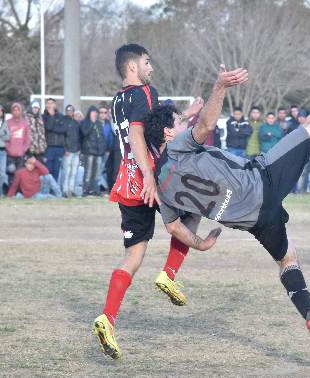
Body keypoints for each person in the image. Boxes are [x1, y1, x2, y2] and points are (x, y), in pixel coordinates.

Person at [143, 24, 310, 354]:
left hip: (254, 221)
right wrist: (220, 86)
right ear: (169, 134)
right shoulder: (179, 147)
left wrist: (202, 245)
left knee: (288, 259)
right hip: (262, 179)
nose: (186, 125)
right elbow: (207, 125)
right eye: (180, 123)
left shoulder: (162, 188)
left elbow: (172, 226)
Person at [93, 43, 205, 361]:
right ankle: (168, 274)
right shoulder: (144, 92)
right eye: (146, 61)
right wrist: (150, 176)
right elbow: (142, 134)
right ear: (133, 67)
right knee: (194, 211)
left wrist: (191, 112)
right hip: (151, 177)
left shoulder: (117, 100)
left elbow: (153, 127)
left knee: (133, 256)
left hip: (126, 185)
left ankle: (107, 319)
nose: (151, 67)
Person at [79, 106, 104, 196]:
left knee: (96, 173)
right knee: (88, 172)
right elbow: (85, 133)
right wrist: (92, 123)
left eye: (95, 112)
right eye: (93, 112)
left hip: (98, 152)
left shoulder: (99, 123)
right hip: (89, 151)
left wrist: (103, 149)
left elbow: (102, 137)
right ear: (89, 112)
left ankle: (93, 190)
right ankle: (85, 190)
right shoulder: (84, 122)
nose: (95, 114)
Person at [5, 103, 31, 189]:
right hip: (10, 154)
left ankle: (20, 192)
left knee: (20, 174)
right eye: (14, 110)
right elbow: (5, 138)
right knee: (11, 173)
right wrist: (9, 149)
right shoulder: (8, 122)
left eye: (18, 110)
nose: (16, 112)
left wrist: (23, 150)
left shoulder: (25, 123)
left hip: (21, 154)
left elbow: (27, 139)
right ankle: (11, 192)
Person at [43, 98, 68, 180]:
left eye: (52, 103)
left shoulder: (61, 116)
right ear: (46, 105)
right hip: (49, 147)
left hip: (59, 147)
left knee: (56, 171)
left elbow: (64, 129)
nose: (50, 105)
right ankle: (46, 191)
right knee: (47, 170)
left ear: (55, 105)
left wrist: (53, 129)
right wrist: (51, 116)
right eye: (48, 103)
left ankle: (53, 191)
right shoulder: (44, 116)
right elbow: (48, 127)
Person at [62, 104, 81, 197]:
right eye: (68, 110)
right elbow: (63, 136)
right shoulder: (64, 121)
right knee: (66, 173)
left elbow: (79, 136)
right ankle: (65, 191)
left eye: (72, 110)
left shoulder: (76, 123)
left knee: (74, 173)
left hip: (75, 151)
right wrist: (65, 149)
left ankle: (71, 190)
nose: (70, 111)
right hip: (68, 152)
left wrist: (79, 149)